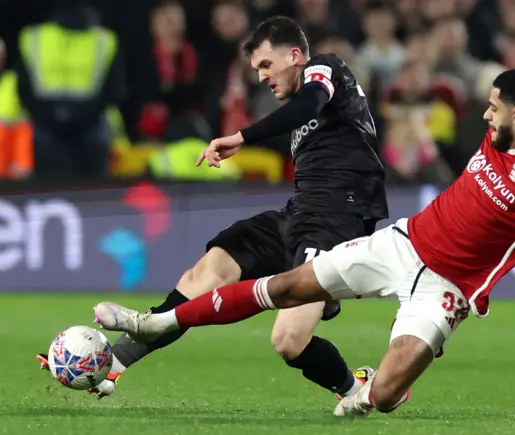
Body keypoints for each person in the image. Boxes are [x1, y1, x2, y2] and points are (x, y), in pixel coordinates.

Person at [94, 68, 515, 416]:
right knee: (286, 287)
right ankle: (158, 321)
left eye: (492, 107)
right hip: (404, 241)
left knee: (386, 397)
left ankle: (369, 387)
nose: (483, 114)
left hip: (448, 286)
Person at [41, 16, 388, 401]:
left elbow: (308, 106)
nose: (261, 77)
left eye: (265, 65)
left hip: (338, 218)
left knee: (288, 340)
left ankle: (358, 389)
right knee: (210, 268)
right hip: (299, 214)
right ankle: (114, 366)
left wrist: (242, 136)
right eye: (256, 70)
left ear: (295, 56)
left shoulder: (325, 67)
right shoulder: (305, 113)